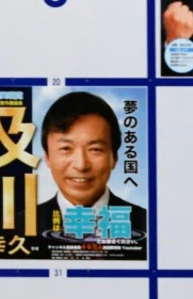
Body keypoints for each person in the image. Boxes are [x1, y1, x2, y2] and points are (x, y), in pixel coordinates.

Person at [35, 91, 147, 242]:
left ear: (114, 158)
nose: (81, 165)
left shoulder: (148, 223)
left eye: (95, 149)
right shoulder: (20, 226)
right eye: (66, 148)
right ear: (47, 158)